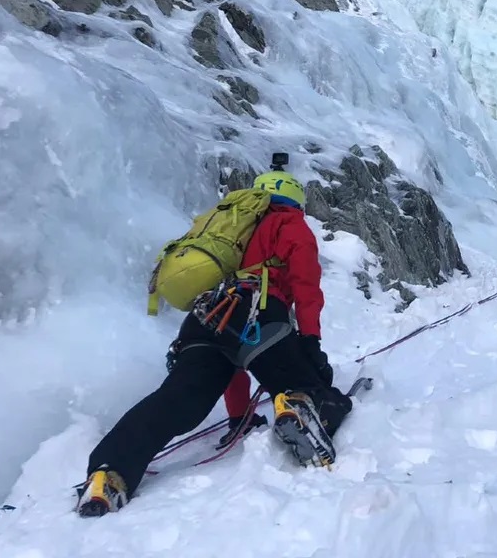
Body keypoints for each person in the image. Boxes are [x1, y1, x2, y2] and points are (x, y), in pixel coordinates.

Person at [76, 169, 353, 517]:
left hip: (205, 318)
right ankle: (300, 402)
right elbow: (306, 289)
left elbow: (232, 357)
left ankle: (109, 471)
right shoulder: (290, 224)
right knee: (309, 388)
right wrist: (311, 341)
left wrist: (239, 418)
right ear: (294, 201)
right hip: (257, 310)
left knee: (177, 400)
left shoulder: (229, 225)